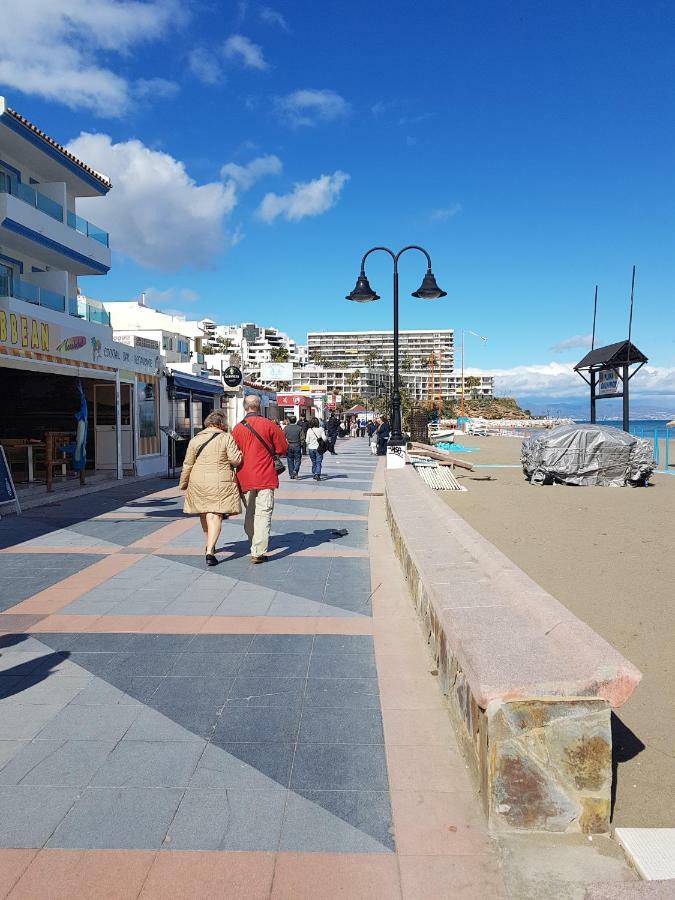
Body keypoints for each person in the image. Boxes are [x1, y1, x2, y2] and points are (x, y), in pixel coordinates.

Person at [179, 409, 242, 567]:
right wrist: (240, 454)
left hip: (198, 481)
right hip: (219, 481)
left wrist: (183, 482)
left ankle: (209, 544)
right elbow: (235, 460)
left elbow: (188, 464)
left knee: (204, 513)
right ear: (221, 424)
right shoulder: (226, 438)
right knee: (215, 514)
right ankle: (209, 551)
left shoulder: (195, 440)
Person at [232, 395, 288, 563]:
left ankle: (254, 543)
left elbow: (233, 453)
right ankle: (258, 551)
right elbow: (282, 448)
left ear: (244, 407)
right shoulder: (269, 425)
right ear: (259, 406)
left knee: (250, 513)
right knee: (263, 513)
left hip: (245, 477)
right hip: (266, 475)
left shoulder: (237, 429)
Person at [305, 416, 327, 481]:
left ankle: (314, 473)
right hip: (319, 448)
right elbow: (324, 438)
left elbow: (307, 441)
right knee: (319, 462)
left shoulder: (309, 430)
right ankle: (317, 474)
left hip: (311, 448)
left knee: (313, 462)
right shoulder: (321, 429)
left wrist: (309, 444)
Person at [283, 414, 303, 479]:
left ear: (289, 420)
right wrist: (301, 445)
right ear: (295, 420)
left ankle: (291, 474)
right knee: (298, 459)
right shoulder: (299, 428)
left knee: (290, 460)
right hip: (297, 444)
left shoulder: (286, 428)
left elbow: (282, 437)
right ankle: (295, 470)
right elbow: (302, 438)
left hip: (289, 445)